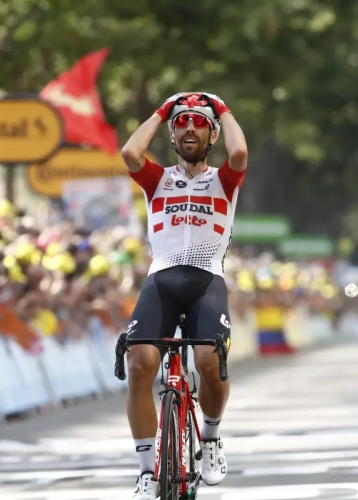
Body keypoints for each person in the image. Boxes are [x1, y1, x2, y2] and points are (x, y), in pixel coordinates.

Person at [120, 92, 248, 499]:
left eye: (198, 123)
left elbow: (241, 150)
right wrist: (163, 109)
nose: (188, 127)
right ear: (172, 135)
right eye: (181, 123)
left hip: (206, 281)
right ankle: (145, 469)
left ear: (212, 135)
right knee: (140, 363)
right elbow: (129, 152)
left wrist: (221, 108)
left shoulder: (223, 180)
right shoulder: (157, 179)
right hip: (161, 281)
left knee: (210, 361)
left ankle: (209, 440)